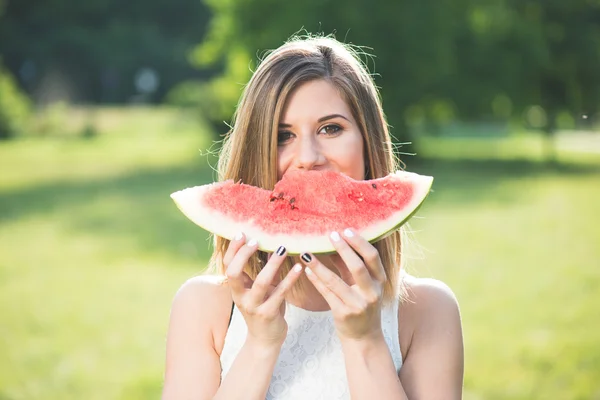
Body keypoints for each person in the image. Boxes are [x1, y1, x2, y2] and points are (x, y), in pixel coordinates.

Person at [161, 34, 464, 400]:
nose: (308, 156)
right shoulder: (204, 309)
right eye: (282, 135)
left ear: (368, 143)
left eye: (330, 128)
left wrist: (365, 341)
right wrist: (259, 344)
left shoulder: (428, 312)